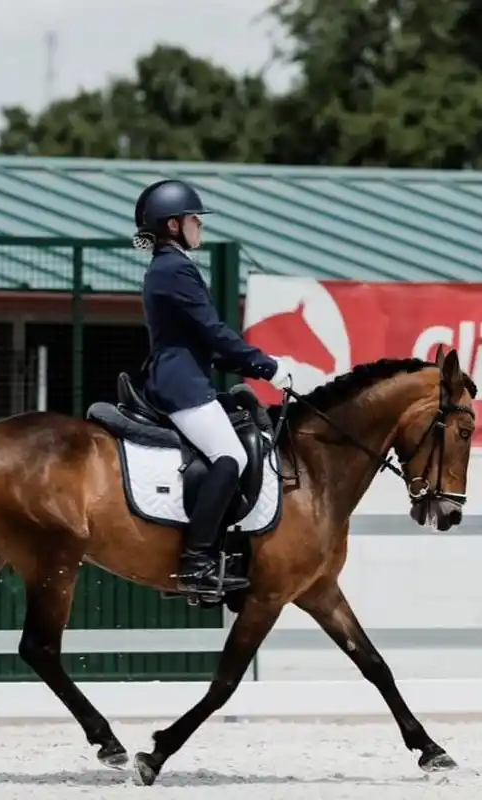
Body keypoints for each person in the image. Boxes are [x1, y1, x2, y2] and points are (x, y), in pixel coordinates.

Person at [133, 178, 290, 596]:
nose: (199, 226)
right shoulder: (175, 268)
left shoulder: (167, 267)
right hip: (180, 384)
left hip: (183, 373)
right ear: (172, 226)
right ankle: (197, 561)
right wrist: (265, 366)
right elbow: (214, 331)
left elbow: (201, 340)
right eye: (193, 220)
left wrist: (245, 364)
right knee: (230, 455)